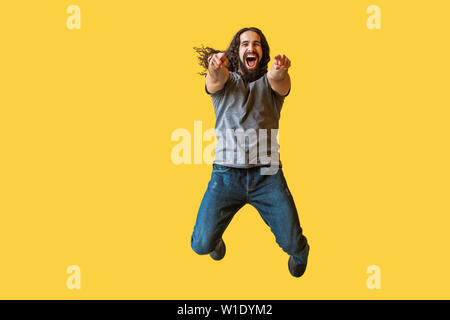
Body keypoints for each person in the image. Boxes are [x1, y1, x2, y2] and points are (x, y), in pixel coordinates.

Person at [191, 27, 310, 277]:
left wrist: (280, 69)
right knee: (200, 245)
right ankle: (215, 240)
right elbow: (215, 78)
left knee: (293, 243)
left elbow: (279, 79)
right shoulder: (225, 80)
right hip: (225, 175)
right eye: (245, 44)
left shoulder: (270, 82)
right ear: (237, 51)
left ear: (262, 52)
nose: (251, 48)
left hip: (267, 175)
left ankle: (300, 253)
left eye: (256, 44)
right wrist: (214, 66)